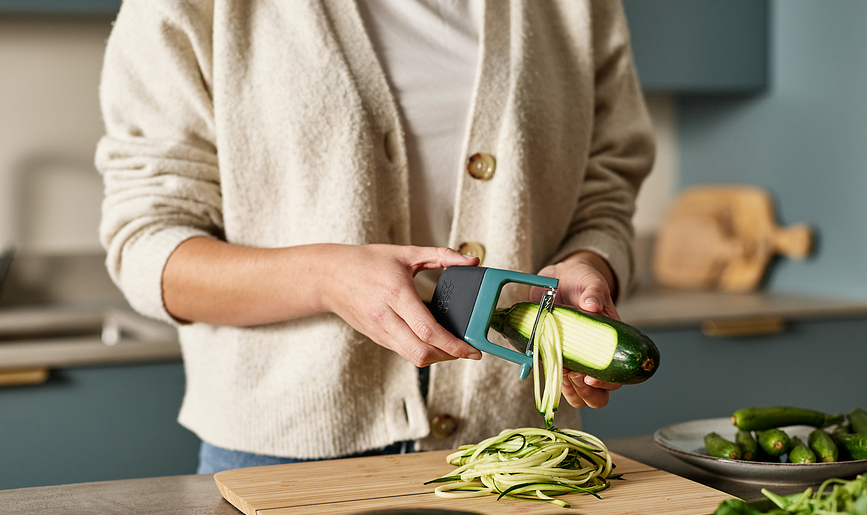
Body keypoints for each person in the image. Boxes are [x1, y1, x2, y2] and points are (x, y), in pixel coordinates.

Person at [95, 0, 655, 474]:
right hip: (286, 462)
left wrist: (591, 265)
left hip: (522, 451)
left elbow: (605, 193)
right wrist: (325, 277)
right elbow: (147, 244)